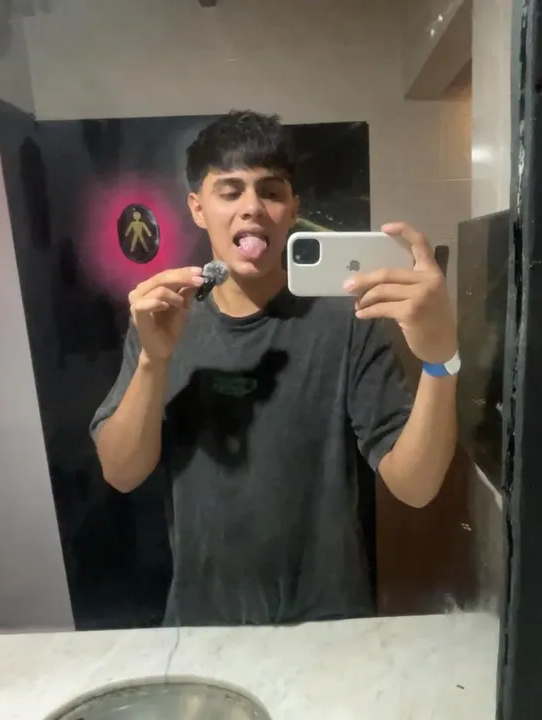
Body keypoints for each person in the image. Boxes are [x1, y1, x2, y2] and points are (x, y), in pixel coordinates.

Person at [90, 110, 458, 626]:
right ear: (197, 208)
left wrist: (441, 359)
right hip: (204, 622)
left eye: (270, 191)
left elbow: (415, 487)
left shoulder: (347, 322)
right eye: (230, 191)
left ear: (293, 209)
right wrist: (154, 360)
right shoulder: (166, 320)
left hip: (326, 624)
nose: (252, 208)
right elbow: (122, 473)